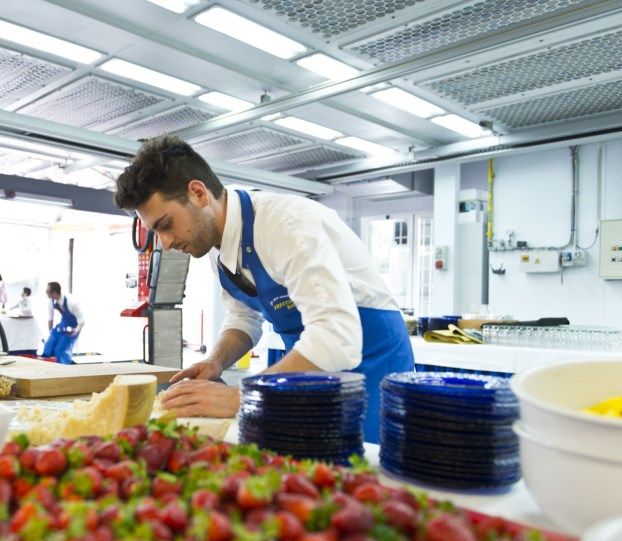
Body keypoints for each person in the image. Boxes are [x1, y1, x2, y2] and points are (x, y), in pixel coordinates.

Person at [114, 136, 414, 443]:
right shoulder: (215, 245)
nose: (166, 243)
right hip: (313, 371)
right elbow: (243, 317)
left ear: (198, 193)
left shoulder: (285, 224)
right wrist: (216, 360)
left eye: (166, 225)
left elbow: (337, 339)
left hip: (372, 364)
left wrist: (242, 395)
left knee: (370, 474)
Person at [41, 282, 84, 364]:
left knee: (60, 350)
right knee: (48, 346)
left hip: (74, 328)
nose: (46, 292)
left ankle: (65, 366)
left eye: (47, 291)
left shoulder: (72, 303)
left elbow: (81, 321)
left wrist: (75, 331)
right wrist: (51, 332)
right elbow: (50, 319)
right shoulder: (51, 302)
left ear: (54, 293)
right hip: (62, 325)